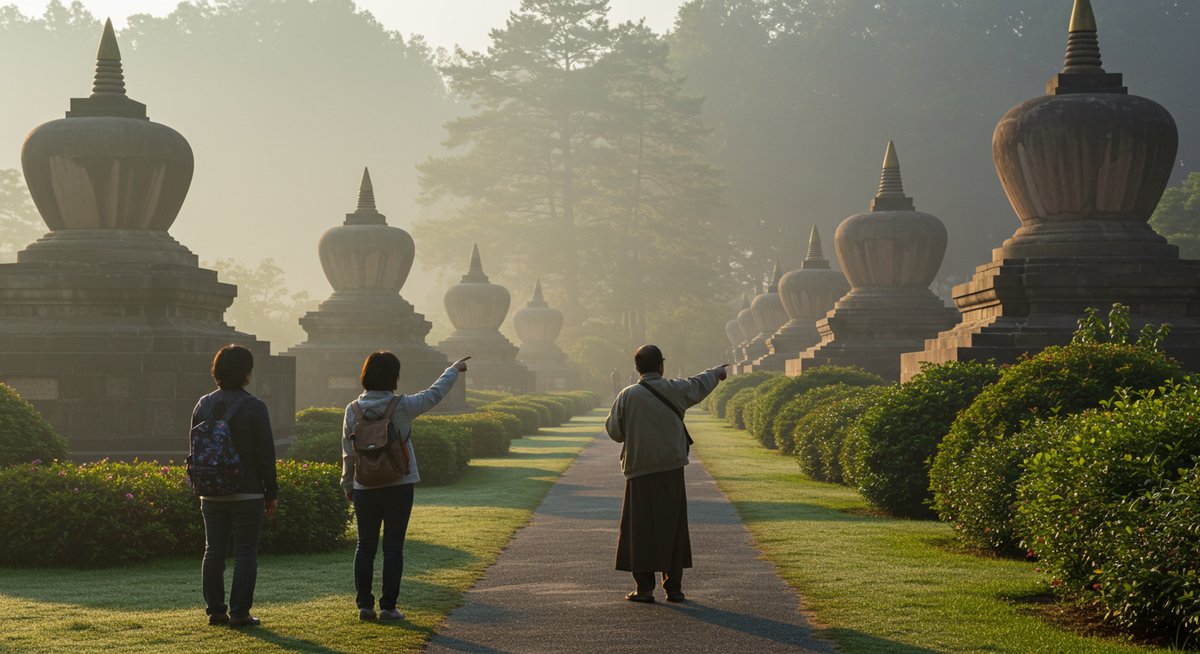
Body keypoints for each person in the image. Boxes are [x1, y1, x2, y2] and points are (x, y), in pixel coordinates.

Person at [342, 352, 470, 621]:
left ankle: (364, 606)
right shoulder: (402, 406)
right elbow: (434, 394)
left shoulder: (352, 409)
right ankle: (389, 607)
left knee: (364, 547)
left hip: (364, 486)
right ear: (394, 377)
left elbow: (348, 453)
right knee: (393, 547)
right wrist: (452, 370)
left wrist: (348, 485)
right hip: (398, 484)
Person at [605, 344, 728, 603]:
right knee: (672, 527)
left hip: (638, 471)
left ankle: (644, 589)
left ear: (636, 367)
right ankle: (674, 588)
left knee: (639, 529)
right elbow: (698, 384)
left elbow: (615, 432)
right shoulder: (674, 389)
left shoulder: (627, 395)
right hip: (670, 470)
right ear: (661, 365)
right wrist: (716, 372)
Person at [195, 344, 278, 627]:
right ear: (246, 373)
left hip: (211, 492)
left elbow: (194, 448)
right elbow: (265, 453)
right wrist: (271, 492)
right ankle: (240, 613)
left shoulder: (203, 404)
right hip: (248, 490)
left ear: (216, 371)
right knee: (245, 553)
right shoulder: (254, 407)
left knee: (213, 551)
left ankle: (216, 611)